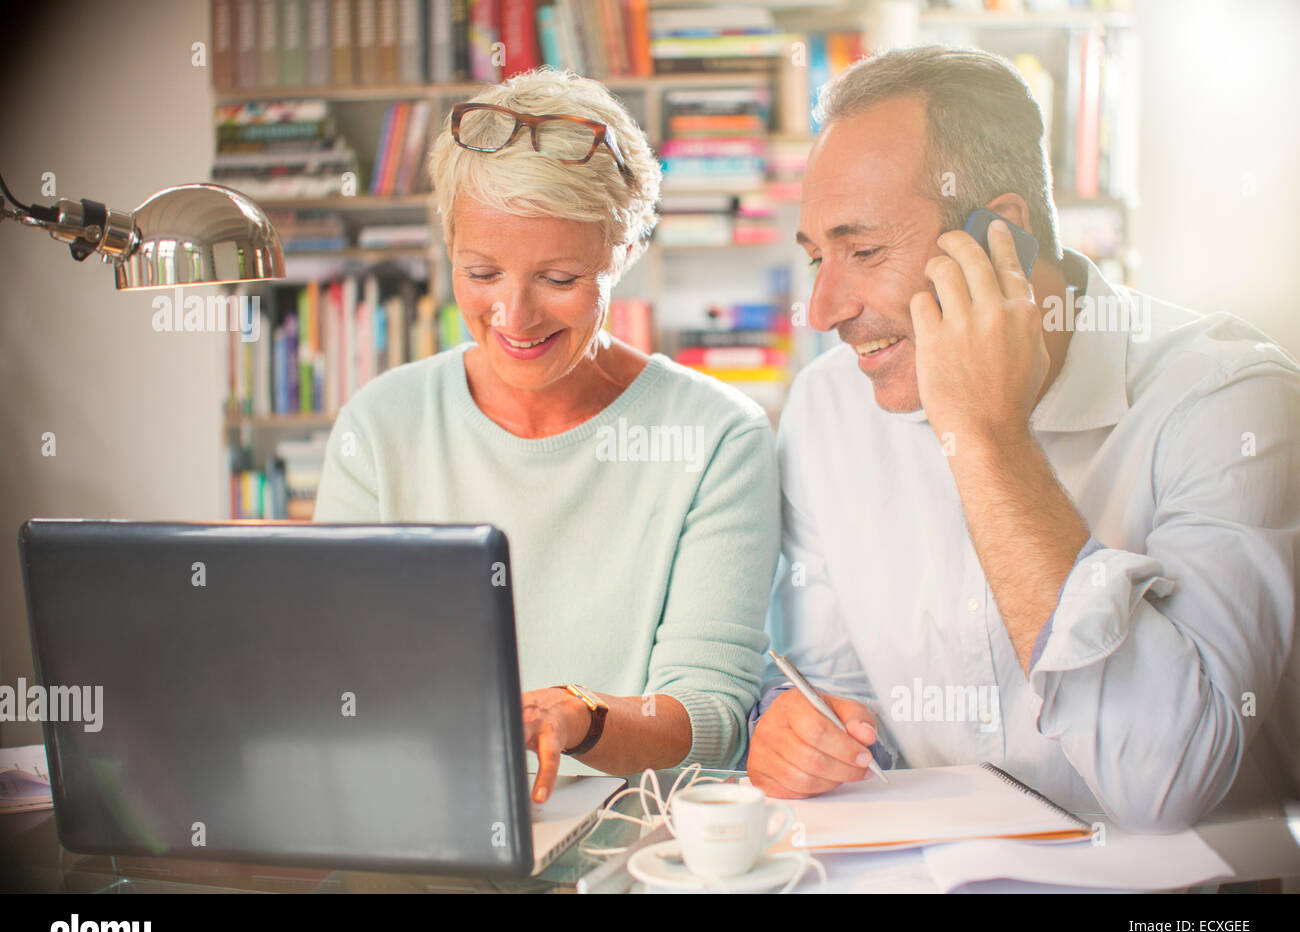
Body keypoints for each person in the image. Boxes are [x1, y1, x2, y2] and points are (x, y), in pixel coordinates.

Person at [746, 45, 1300, 832]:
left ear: (1000, 234)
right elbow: (840, 705)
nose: (823, 309)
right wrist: (803, 733)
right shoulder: (826, 406)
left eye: (864, 251)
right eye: (815, 258)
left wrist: (989, 439)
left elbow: (1166, 781)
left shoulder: (1230, 403)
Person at [314, 68, 780, 802]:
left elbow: (713, 718)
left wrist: (580, 718)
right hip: (424, 816)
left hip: (635, 832)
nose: (514, 315)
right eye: (481, 273)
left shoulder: (717, 438)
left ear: (624, 252)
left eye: (559, 279)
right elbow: (335, 671)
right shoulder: (380, 425)